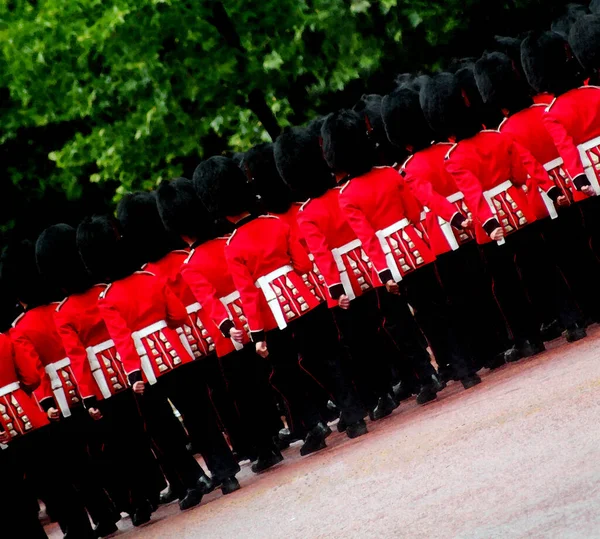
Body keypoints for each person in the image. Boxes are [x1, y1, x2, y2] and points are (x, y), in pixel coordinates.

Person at [195, 156, 368, 451]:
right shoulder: (275, 223)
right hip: (304, 298)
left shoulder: (233, 246)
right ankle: (353, 414)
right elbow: (302, 264)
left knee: (285, 374)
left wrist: (258, 336)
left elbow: (248, 294)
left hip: (272, 315)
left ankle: (313, 424)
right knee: (327, 356)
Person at [421, 70, 585, 359]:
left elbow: (472, 193)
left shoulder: (454, 156)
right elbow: (524, 170)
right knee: (543, 269)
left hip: (493, 227)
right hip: (520, 210)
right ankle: (572, 321)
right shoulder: (496, 136)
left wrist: (489, 222)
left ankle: (529, 339)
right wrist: (549, 191)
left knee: (507, 286)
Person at [321, 109, 481, 395]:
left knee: (403, 324)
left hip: (388, 262)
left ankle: (428, 378)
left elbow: (367, 239)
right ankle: (464, 368)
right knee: (437, 310)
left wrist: (385, 274)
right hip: (416, 248)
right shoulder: (391, 173)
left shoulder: (347, 195)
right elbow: (415, 211)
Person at [77, 215, 228, 511]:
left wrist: (134, 375)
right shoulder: (150, 278)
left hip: (146, 370)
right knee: (199, 414)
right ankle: (226, 472)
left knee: (165, 430)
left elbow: (122, 340)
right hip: (178, 354)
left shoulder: (107, 298)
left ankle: (194, 479)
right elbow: (179, 316)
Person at [36, 223, 166, 525]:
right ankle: (155, 485)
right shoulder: (104, 292)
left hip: (99, 383)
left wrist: (88, 398)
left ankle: (135, 501)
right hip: (132, 369)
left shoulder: (64, 312)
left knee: (113, 445)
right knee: (141, 431)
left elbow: (78, 359)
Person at [117, 191, 255, 470]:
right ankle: (245, 441)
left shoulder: (145, 275)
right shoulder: (185, 257)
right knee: (224, 388)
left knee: (203, 401)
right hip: (211, 329)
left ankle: (232, 450)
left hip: (178, 342)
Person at [156, 176, 285, 472]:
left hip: (226, 334)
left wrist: (227, 328)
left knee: (241, 395)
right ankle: (276, 434)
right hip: (254, 317)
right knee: (262, 381)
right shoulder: (229, 243)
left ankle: (264, 448)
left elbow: (209, 302)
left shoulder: (190, 263)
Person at [380, 82, 511, 369]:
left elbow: (419, 209)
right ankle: (501, 340)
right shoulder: (449, 150)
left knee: (458, 298)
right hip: (476, 222)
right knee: (484, 284)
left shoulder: (410, 168)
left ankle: (481, 353)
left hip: (443, 236)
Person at [475, 49, 600, 327]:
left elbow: (521, 172)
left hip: (541, 200)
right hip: (574, 184)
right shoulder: (545, 109)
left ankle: (578, 313)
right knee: (582, 247)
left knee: (558, 259)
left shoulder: (505, 130)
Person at [5, 240, 118, 536]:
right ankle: (111, 509)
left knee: (72, 466)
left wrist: (45, 404)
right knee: (97, 453)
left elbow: (34, 375)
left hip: (53, 403)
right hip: (89, 385)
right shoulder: (61, 309)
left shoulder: (20, 328)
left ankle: (93, 519)